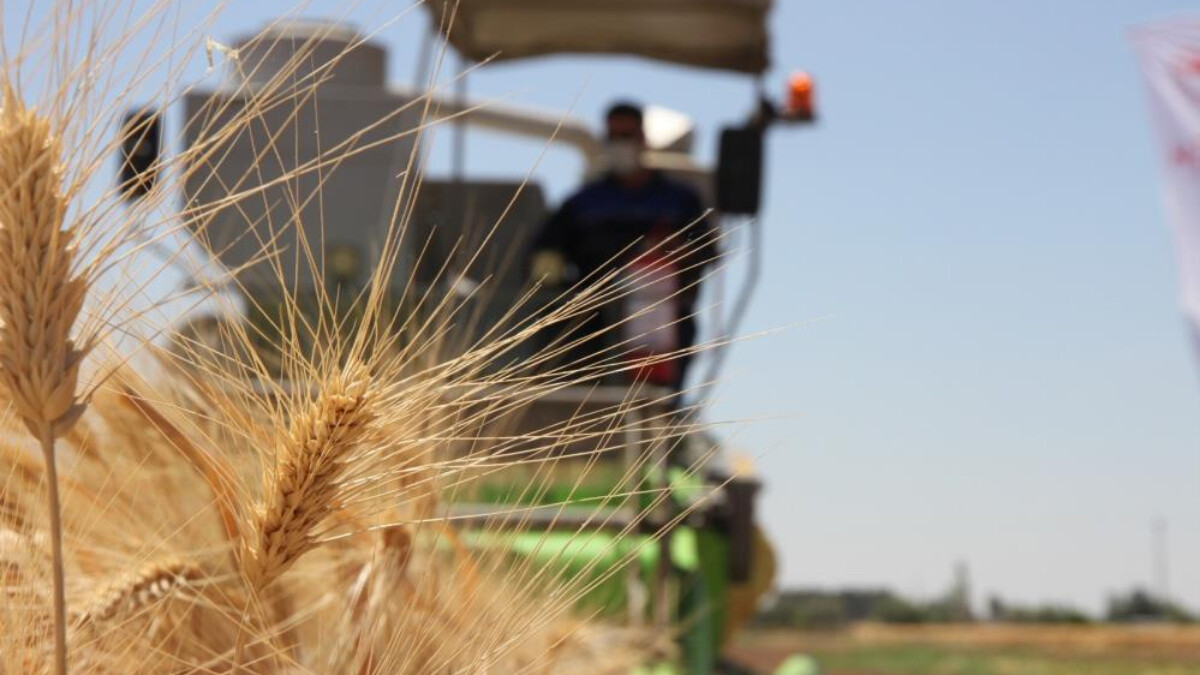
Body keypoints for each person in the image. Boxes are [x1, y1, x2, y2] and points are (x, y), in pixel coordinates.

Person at [530, 101, 716, 391]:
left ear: (642, 139)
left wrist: (674, 251)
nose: (620, 145)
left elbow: (706, 251)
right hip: (593, 323)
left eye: (626, 136)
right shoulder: (583, 202)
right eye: (613, 138)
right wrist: (551, 285)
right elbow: (545, 251)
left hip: (660, 320)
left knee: (653, 406)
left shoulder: (679, 200)